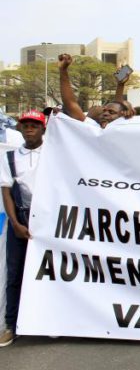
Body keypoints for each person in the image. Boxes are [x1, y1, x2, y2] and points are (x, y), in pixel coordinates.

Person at [0, 110, 46, 347]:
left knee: (48, 272)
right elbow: (6, 192)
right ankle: (11, 325)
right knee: (15, 272)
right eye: (26, 125)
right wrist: (16, 223)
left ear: (43, 129)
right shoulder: (10, 157)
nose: (29, 129)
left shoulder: (53, 154)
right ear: (19, 128)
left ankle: (47, 321)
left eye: (34, 125)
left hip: (47, 219)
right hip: (21, 217)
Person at [58, 54, 133, 127]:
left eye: (111, 112)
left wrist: (120, 85)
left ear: (123, 116)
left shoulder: (125, 128)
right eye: (104, 111)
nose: (105, 114)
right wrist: (63, 70)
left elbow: (118, 107)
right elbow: (70, 103)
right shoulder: (92, 128)